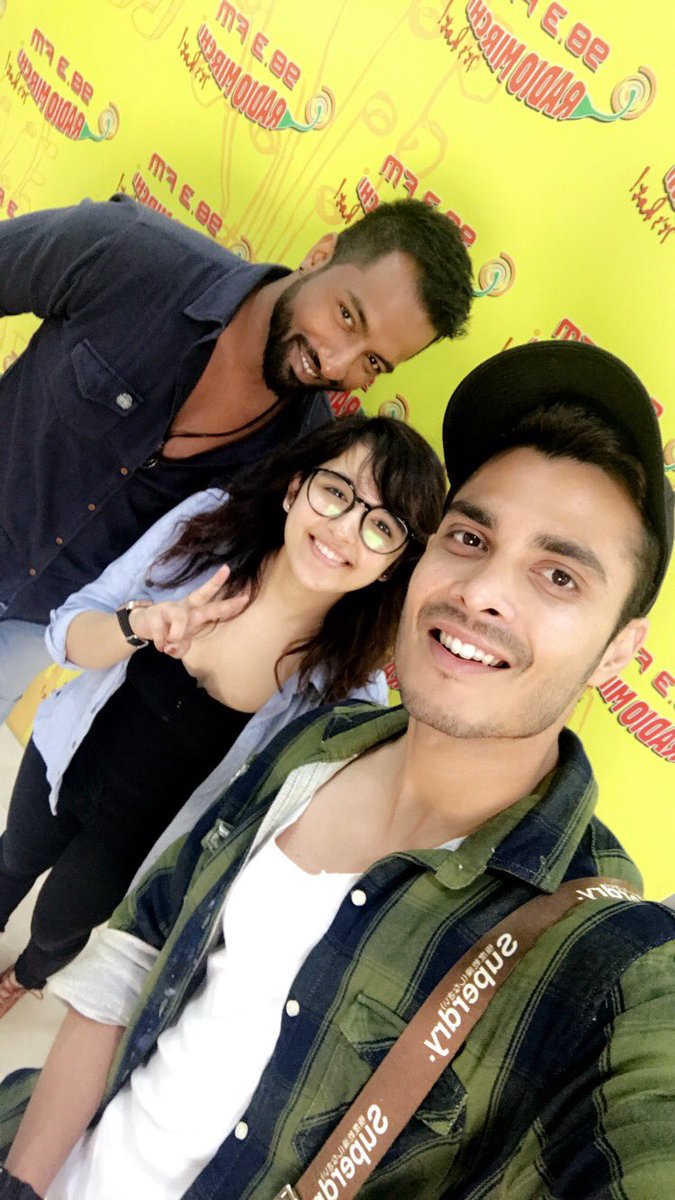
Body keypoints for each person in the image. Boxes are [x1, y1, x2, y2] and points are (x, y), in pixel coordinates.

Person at [1, 340, 673, 1200]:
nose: (482, 591)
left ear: (618, 651)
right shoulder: (322, 746)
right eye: (470, 537)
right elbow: (143, 946)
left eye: (558, 575)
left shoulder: (603, 959)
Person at [0, 414, 446, 1015]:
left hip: (135, 844)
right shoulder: (206, 528)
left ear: (393, 563)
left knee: (61, 925)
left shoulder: (350, 693)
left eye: (382, 526)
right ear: (296, 488)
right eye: (337, 492)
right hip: (63, 756)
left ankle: (25, 977)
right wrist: (138, 626)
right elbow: (68, 632)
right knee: (12, 858)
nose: (344, 530)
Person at [0, 194, 473, 722]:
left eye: (374, 362)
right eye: (346, 316)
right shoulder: (127, 251)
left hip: (37, 627)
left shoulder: (309, 459)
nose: (337, 364)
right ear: (320, 255)